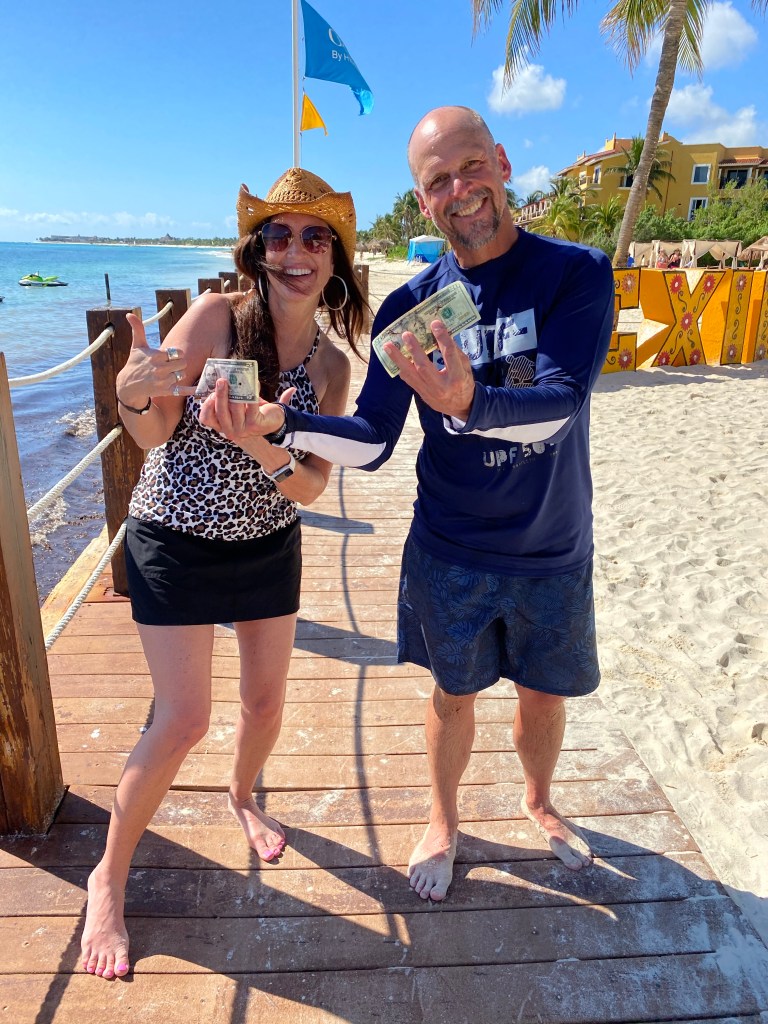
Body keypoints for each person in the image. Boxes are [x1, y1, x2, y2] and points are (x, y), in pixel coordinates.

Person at [204, 106, 614, 903]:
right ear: (422, 201)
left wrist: (468, 401)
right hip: (450, 547)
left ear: (502, 163)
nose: (460, 190)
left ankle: (539, 801)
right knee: (452, 696)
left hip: (552, 545)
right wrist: (285, 423)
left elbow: (563, 403)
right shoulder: (410, 309)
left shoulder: (574, 272)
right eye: (438, 181)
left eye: (471, 167)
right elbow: (372, 439)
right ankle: (442, 819)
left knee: (543, 697)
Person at [80, 167, 367, 979]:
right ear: (258, 250)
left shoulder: (333, 368)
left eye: (315, 236)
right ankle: (107, 878)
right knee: (183, 719)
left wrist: (260, 448)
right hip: (174, 536)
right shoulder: (215, 318)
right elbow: (154, 433)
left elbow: (312, 486)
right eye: (280, 234)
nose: (297, 250)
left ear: (335, 258)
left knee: (265, 704)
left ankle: (242, 796)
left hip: (267, 542)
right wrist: (132, 393)